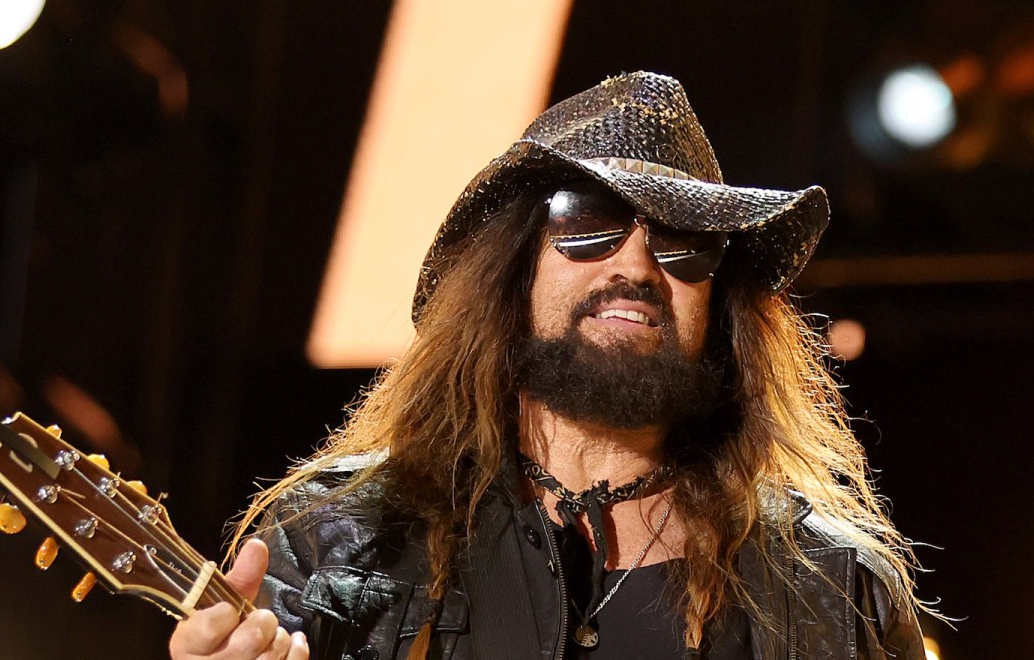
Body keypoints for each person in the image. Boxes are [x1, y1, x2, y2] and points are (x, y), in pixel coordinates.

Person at [169, 71, 927, 660]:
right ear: (513, 269)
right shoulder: (334, 537)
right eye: (587, 222)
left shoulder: (837, 581)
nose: (635, 263)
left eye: (682, 242)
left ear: (720, 301)